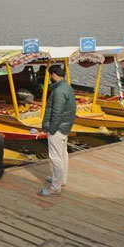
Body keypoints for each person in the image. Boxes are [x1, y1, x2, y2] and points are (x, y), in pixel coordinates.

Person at [38, 65, 76, 197]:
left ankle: (55, 188)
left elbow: (57, 113)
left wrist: (52, 130)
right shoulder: (67, 87)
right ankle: (60, 180)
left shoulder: (59, 91)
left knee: (55, 157)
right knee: (63, 154)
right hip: (65, 127)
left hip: (58, 128)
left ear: (54, 75)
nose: (49, 78)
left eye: (50, 76)